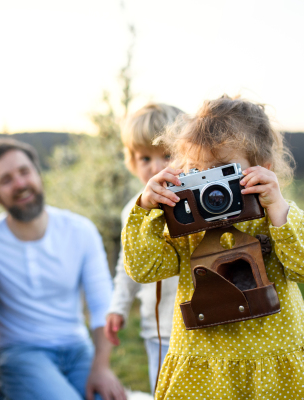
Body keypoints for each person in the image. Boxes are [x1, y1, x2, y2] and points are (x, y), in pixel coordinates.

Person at [122, 95, 304, 399]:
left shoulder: (273, 217)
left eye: (223, 172)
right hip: (206, 371)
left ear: (262, 169)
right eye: (197, 172)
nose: (211, 189)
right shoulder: (186, 226)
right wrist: (147, 209)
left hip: (276, 365)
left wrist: (278, 209)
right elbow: (144, 270)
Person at [0, 138, 126, 400]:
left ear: (38, 174)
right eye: (6, 179)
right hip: (20, 353)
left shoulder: (80, 230)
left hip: (79, 350)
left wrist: (101, 367)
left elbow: (102, 304)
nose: (20, 184)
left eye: (24, 172)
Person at [104, 103, 183, 394]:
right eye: (145, 158)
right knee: (163, 389)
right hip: (158, 330)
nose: (156, 167)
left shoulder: (197, 202)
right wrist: (118, 306)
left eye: (167, 154)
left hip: (201, 325)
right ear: (131, 161)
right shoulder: (132, 211)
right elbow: (127, 265)